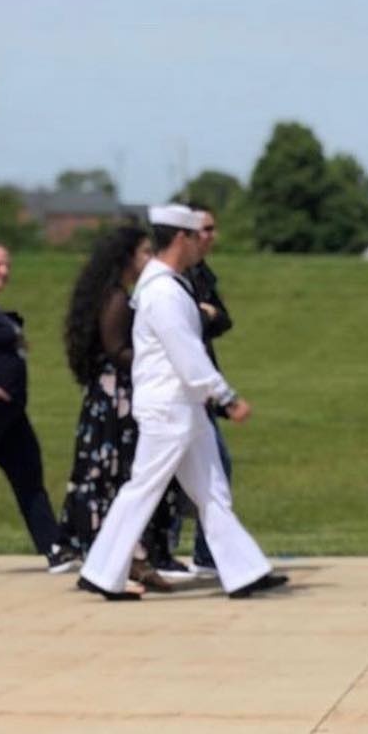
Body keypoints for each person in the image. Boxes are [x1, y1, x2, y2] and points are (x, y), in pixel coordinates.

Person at [78, 204, 286, 602]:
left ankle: (245, 571)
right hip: (170, 407)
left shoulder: (168, 286)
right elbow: (187, 353)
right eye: (195, 236)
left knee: (212, 491)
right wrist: (225, 397)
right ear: (180, 238)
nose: (201, 244)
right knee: (144, 489)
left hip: (183, 406)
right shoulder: (163, 292)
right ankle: (102, 572)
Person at [54, 224, 182, 579]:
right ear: (127, 258)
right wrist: (159, 359)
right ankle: (118, 561)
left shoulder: (113, 295)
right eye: (145, 252)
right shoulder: (115, 299)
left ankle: (128, 559)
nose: (151, 258)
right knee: (117, 475)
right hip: (116, 400)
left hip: (110, 397)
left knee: (118, 475)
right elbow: (116, 350)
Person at [0, 242, 60, 564]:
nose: (3, 271)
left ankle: (54, 548)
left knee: (29, 476)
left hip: (11, 413)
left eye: (7, 265)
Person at [176, 201, 235, 579]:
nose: (211, 236)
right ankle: (164, 551)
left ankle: (205, 552)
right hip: (180, 389)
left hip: (201, 384)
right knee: (164, 476)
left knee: (212, 467)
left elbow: (223, 319)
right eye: (205, 229)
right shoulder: (173, 275)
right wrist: (202, 313)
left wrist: (206, 313)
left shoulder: (201, 272)